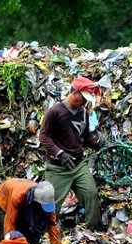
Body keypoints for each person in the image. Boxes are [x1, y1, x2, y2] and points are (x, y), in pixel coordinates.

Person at [38, 76, 105, 232]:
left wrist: (96, 142)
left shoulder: (83, 113)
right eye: (83, 98)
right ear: (74, 92)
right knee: (52, 205)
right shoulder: (55, 112)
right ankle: (47, 236)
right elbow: (43, 136)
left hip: (78, 164)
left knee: (91, 194)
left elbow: (84, 136)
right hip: (58, 168)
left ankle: (95, 231)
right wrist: (60, 153)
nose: (84, 102)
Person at [0, 178, 65, 244]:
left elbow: (52, 223)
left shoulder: (46, 195)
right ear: (36, 202)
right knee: (8, 230)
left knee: (25, 228)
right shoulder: (17, 197)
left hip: (19, 197)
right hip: (0, 199)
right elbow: (9, 225)